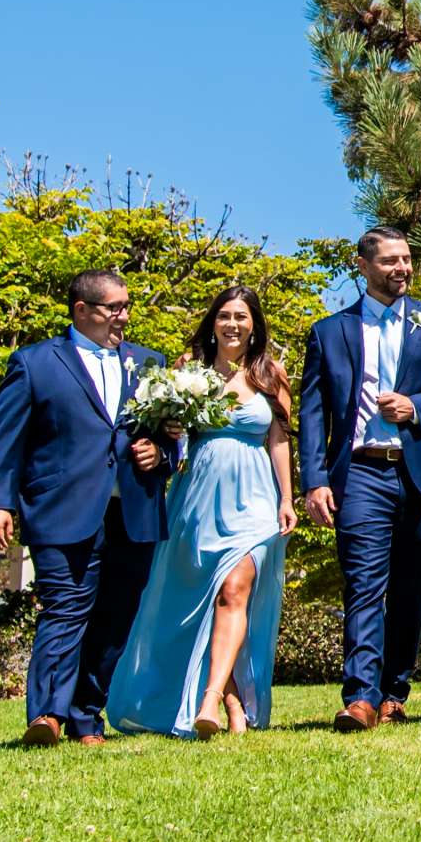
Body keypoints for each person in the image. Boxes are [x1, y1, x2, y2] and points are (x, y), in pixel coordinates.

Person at [298, 226, 421, 733]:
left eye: (407, 259)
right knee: (363, 584)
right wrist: (314, 480)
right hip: (359, 472)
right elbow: (313, 414)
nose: (402, 268)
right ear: (363, 265)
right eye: (390, 261)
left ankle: (393, 691)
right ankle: (358, 696)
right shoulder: (329, 332)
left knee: (411, 588)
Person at [0, 269, 175, 745]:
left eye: (127, 307)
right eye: (115, 308)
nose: (124, 317)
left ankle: (87, 717)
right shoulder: (35, 363)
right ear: (82, 311)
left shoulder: (150, 364)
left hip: (134, 509)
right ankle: (46, 714)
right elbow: (7, 440)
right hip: (61, 509)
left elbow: (170, 436)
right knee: (65, 608)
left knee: (116, 616)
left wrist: (161, 455)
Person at [109, 285, 298, 739]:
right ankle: (233, 703)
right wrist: (171, 433)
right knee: (208, 599)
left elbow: (279, 439)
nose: (232, 324)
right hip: (198, 497)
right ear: (213, 322)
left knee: (235, 589)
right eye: (224, 316)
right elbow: (170, 439)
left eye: (242, 316)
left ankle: (209, 698)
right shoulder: (186, 371)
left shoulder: (272, 373)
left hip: (255, 499)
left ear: (255, 325)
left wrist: (287, 499)